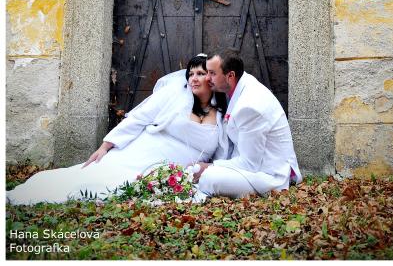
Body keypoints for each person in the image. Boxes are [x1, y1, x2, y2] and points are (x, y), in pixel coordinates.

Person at [6, 55, 228, 205]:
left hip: (175, 168)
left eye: (200, 74)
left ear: (211, 78)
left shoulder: (222, 115)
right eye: (190, 74)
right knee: (101, 178)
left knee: (130, 188)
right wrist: (105, 146)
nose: (193, 79)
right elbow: (138, 118)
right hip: (145, 150)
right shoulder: (174, 96)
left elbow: (224, 153)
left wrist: (207, 168)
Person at [194, 49, 302, 199]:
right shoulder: (242, 84)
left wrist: (210, 167)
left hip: (270, 175)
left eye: (212, 73)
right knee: (206, 173)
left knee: (209, 178)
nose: (207, 78)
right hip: (254, 165)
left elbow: (250, 164)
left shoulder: (250, 106)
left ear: (230, 76)